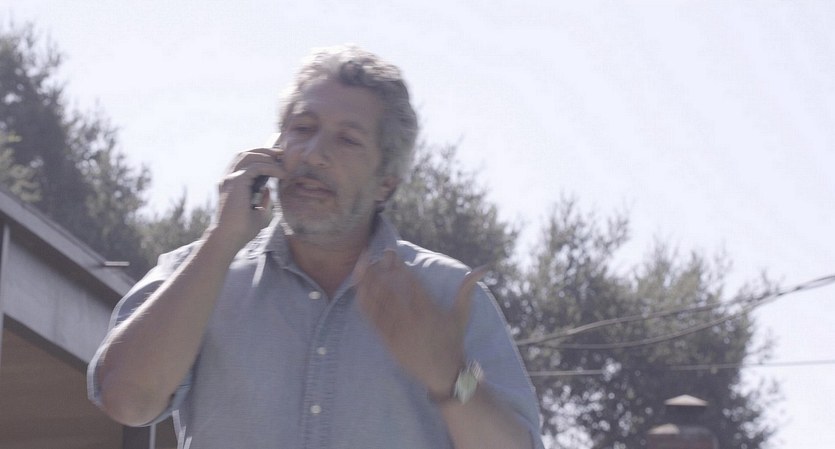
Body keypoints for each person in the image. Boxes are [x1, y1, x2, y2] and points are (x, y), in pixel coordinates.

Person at [88, 45, 544, 449]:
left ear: (386, 182)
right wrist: (221, 241)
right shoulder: (198, 273)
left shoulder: (447, 295)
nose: (313, 153)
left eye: (347, 139)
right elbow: (126, 400)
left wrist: (451, 377)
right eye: (303, 128)